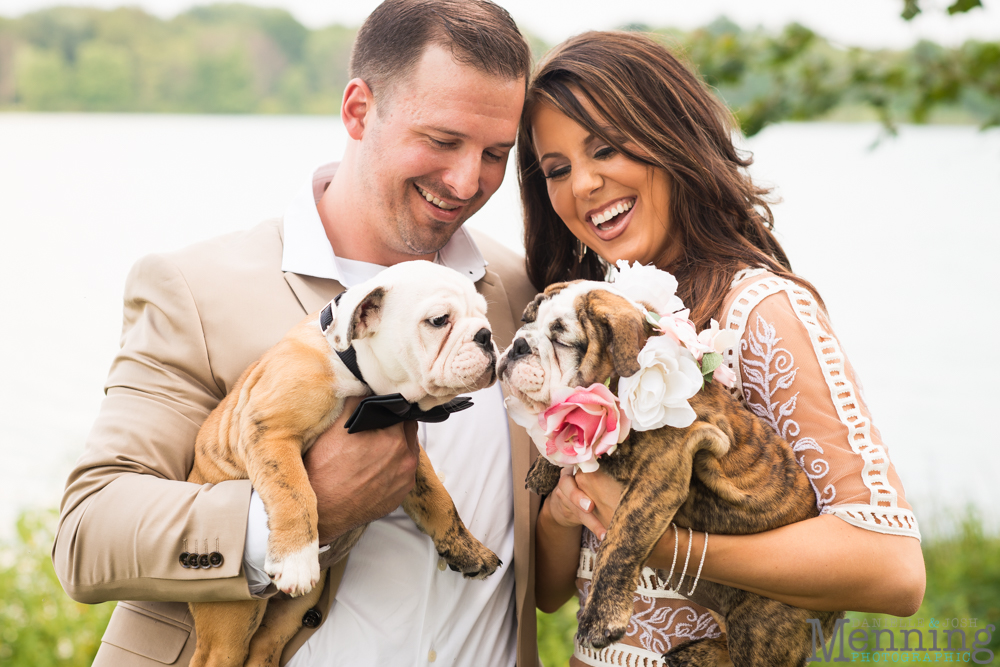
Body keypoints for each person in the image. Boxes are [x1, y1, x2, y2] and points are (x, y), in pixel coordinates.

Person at [52, 2, 542, 665]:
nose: (466, 181)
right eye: (443, 139)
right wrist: (292, 519)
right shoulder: (195, 288)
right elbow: (87, 534)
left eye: (495, 154)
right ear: (358, 110)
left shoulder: (515, 291)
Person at [517, 31, 926, 665]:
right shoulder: (592, 330)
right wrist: (565, 511)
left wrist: (660, 545)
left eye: (607, 148)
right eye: (557, 169)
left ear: (672, 136)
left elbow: (893, 569)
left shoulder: (760, 313)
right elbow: (547, 594)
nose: (585, 185)